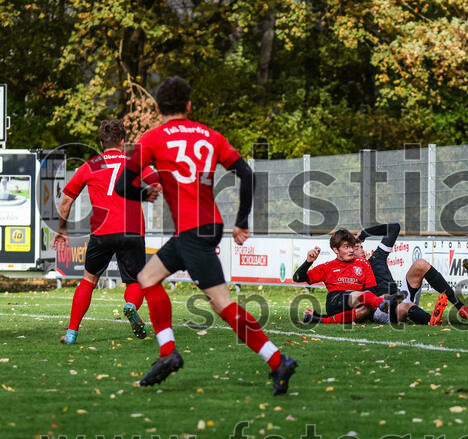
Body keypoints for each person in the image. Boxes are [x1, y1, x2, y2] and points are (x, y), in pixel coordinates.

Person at [115, 76, 297, 395]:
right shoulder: (210, 136)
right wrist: (240, 221)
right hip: (206, 226)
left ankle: (277, 359)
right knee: (147, 278)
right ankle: (167, 351)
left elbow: (120, 186)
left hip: (192, 231)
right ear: (188, 106)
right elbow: (246, 173)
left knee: (222, 303)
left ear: (158, 108)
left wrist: (146, 194)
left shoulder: (153, 139)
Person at [53, 119, 160, 344]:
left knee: (88, 281)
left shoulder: (89, 166)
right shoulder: (134, 162)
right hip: (132, 231)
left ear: (101, 142)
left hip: (102, 232)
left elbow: (66, 202)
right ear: (122, 141)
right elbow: (156, 183)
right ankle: (130, 306)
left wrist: (62, 229)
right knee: (135, 281)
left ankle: (72, 334)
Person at [294, 229, 382, 324]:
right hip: (335, 300)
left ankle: (320, 319)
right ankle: (385, 305)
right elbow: (298, 278)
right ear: (336, 249)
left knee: (366, 309)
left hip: (356, 302)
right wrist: (308, 262)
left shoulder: (363, 263)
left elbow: (371, 290)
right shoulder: (328, 266)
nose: (351, 250)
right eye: (346, 247)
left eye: (352, 246)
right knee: (364, 296)